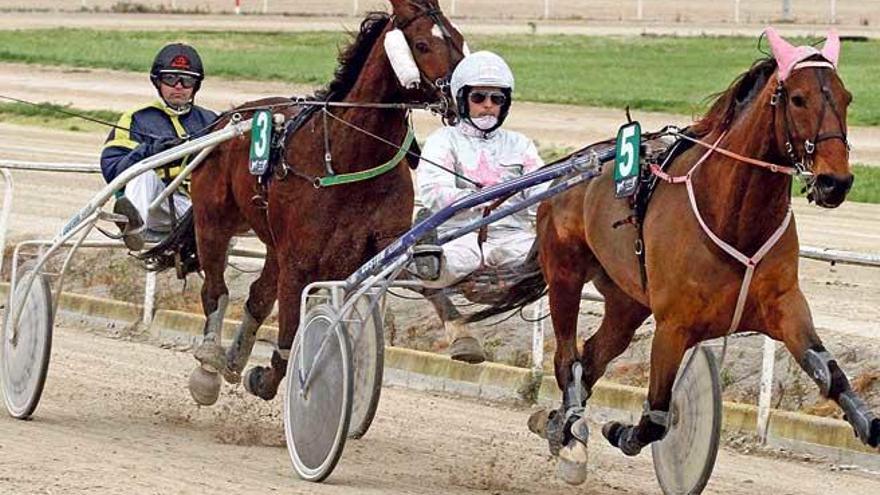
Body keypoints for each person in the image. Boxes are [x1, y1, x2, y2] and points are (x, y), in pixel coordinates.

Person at [416, 51, 545, 363]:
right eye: (479, 97)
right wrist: (482, 198)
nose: (488, 105)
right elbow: (433, 190)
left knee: (548, 258)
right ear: (463, 99)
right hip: (458, 235)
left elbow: (543, 189)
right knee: (449, 265)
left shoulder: (520, 145)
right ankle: (426, 256)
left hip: (510, 238)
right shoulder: (443, 141)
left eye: (496, 99)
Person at [101, 42, 217, 250]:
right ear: (158, 82)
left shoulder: (212, 121)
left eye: (187, 80)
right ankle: (133, 228)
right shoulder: (137, 118)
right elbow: (112, 171)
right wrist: (150, 153)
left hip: (200, 210)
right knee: (143, 173)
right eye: (170, 79)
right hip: (157, 209)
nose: (179, 86)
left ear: (195, 86)